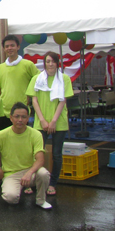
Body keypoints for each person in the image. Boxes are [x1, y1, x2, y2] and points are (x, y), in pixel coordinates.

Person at [0, 102, 52, 210]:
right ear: (11, 118)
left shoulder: (36, 134)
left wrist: (29, 172)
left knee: (43, 173)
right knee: (11, 198)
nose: (20, 120)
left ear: (28, 119)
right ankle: (16, 191)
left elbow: (40, 160)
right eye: (17, 116)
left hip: (31, 172)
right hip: (11, 173)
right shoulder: (1, 135)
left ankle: (41, 200)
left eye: (23, 117)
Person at [27, 51, 72, 197]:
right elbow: (34, 101)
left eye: (53, 61)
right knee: (36, 153)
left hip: (59, 123)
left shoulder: (64, 79)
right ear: (44, 63)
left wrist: (53, 121)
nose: (50, 64)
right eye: (47, 61)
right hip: (41, 123)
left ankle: (52, 183)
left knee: (57, 155)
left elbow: (62, 101)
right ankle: (32, 181)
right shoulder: (36, 79)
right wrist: (43, 120)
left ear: (57, 63)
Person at [0, 35, 39, 130]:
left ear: (18, 47)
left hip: (22, 112)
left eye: (12, 45)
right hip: (4, 113)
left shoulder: (28, 65)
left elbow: (39, 81)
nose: (9, 48)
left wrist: (30, 97)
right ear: (4, 49)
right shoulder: (0, 68)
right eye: (7, 46)